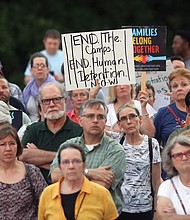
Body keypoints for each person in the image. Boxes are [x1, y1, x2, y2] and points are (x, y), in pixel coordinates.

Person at [50, 99, 126, 214]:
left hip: (101, 214)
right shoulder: (68, 146)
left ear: (105, 121)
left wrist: (69, 178)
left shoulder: (115, 150)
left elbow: (99, 187)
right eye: (90, 116)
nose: (95, 120)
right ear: (80, 121)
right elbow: (55, 175)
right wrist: (88, 172)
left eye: (100, 117)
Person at [20, 82, 83, 183]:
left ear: (65, 101)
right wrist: (66, 159)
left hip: (68, 189)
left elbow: (80, 166)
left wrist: (37, 156)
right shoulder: (33, 130)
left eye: (56, 99)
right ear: (41, 104)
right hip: (37, 191)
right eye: (46, 101)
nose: (52, 104)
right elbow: (23, 156)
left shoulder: (79, 131)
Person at [38, 143, 118, 220]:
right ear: (60, 166)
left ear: (84, 165)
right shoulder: (47, 194)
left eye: (76, 161)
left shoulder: (102, 194)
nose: (71, 166)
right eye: (65, 162)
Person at [116, 104, 162, 220]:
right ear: (119, 124)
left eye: (132, 116)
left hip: (145, 209)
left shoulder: (152, 144)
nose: (129, 121)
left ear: (139, 119)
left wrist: (156, 211)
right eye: (124, 118)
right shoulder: (116, 143)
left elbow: (156, 182)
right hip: (121, 210)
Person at [0, 123, 47, 219]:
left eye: (12, 143)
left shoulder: (32, 172)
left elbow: (46, 204)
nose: (8, 149)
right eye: (3, 144)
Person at [157, 130, 190, 218]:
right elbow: (164, 217)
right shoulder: (167, 186)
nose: (184, 158)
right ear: (171, 161)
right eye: (178, 155)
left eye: (188, 153)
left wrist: (175, 216)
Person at [154, 68, 190, 148]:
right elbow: (155, 142)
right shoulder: (163, 113)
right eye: (175, 86)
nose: (179, 88)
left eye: (184, 85)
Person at [23, 52, 55, 121]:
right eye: (37, 66)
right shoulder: (27, 90)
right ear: (31, 70)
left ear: (48, 69)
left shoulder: (56, 88)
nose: (40, 68)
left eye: (42, 65)